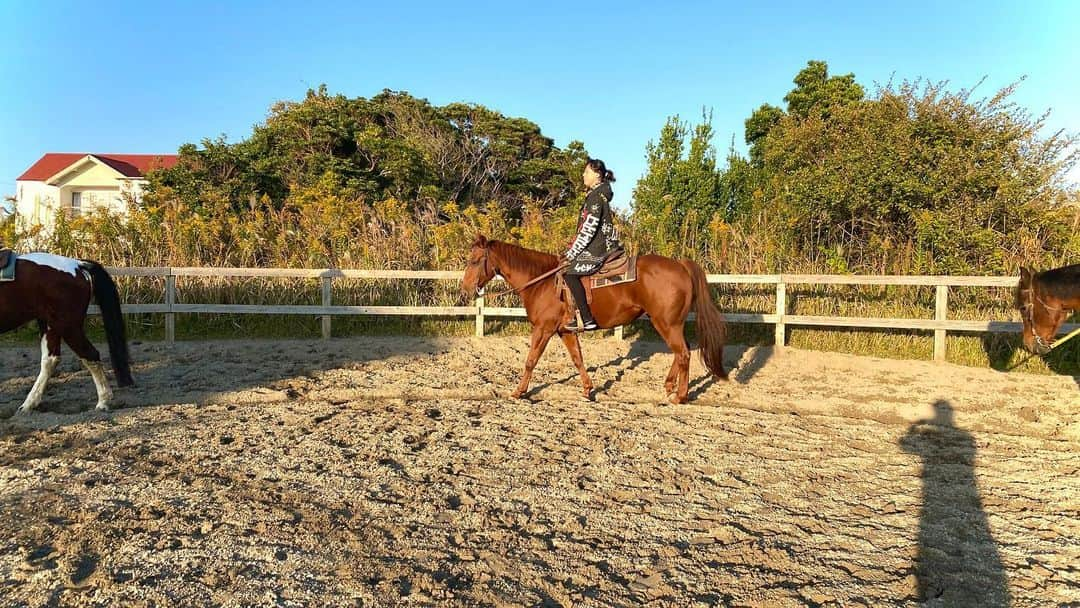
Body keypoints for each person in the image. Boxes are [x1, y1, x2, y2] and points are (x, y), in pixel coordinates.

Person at [562, 158, 623, 331]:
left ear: (597, 175)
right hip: (600, 244)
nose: (583, 175)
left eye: (587, 172)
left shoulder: (596, 198)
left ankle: (586, 318)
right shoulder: (599, 194)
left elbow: (588, 229)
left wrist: (572, 254)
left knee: (568, 273)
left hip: (598, 249)